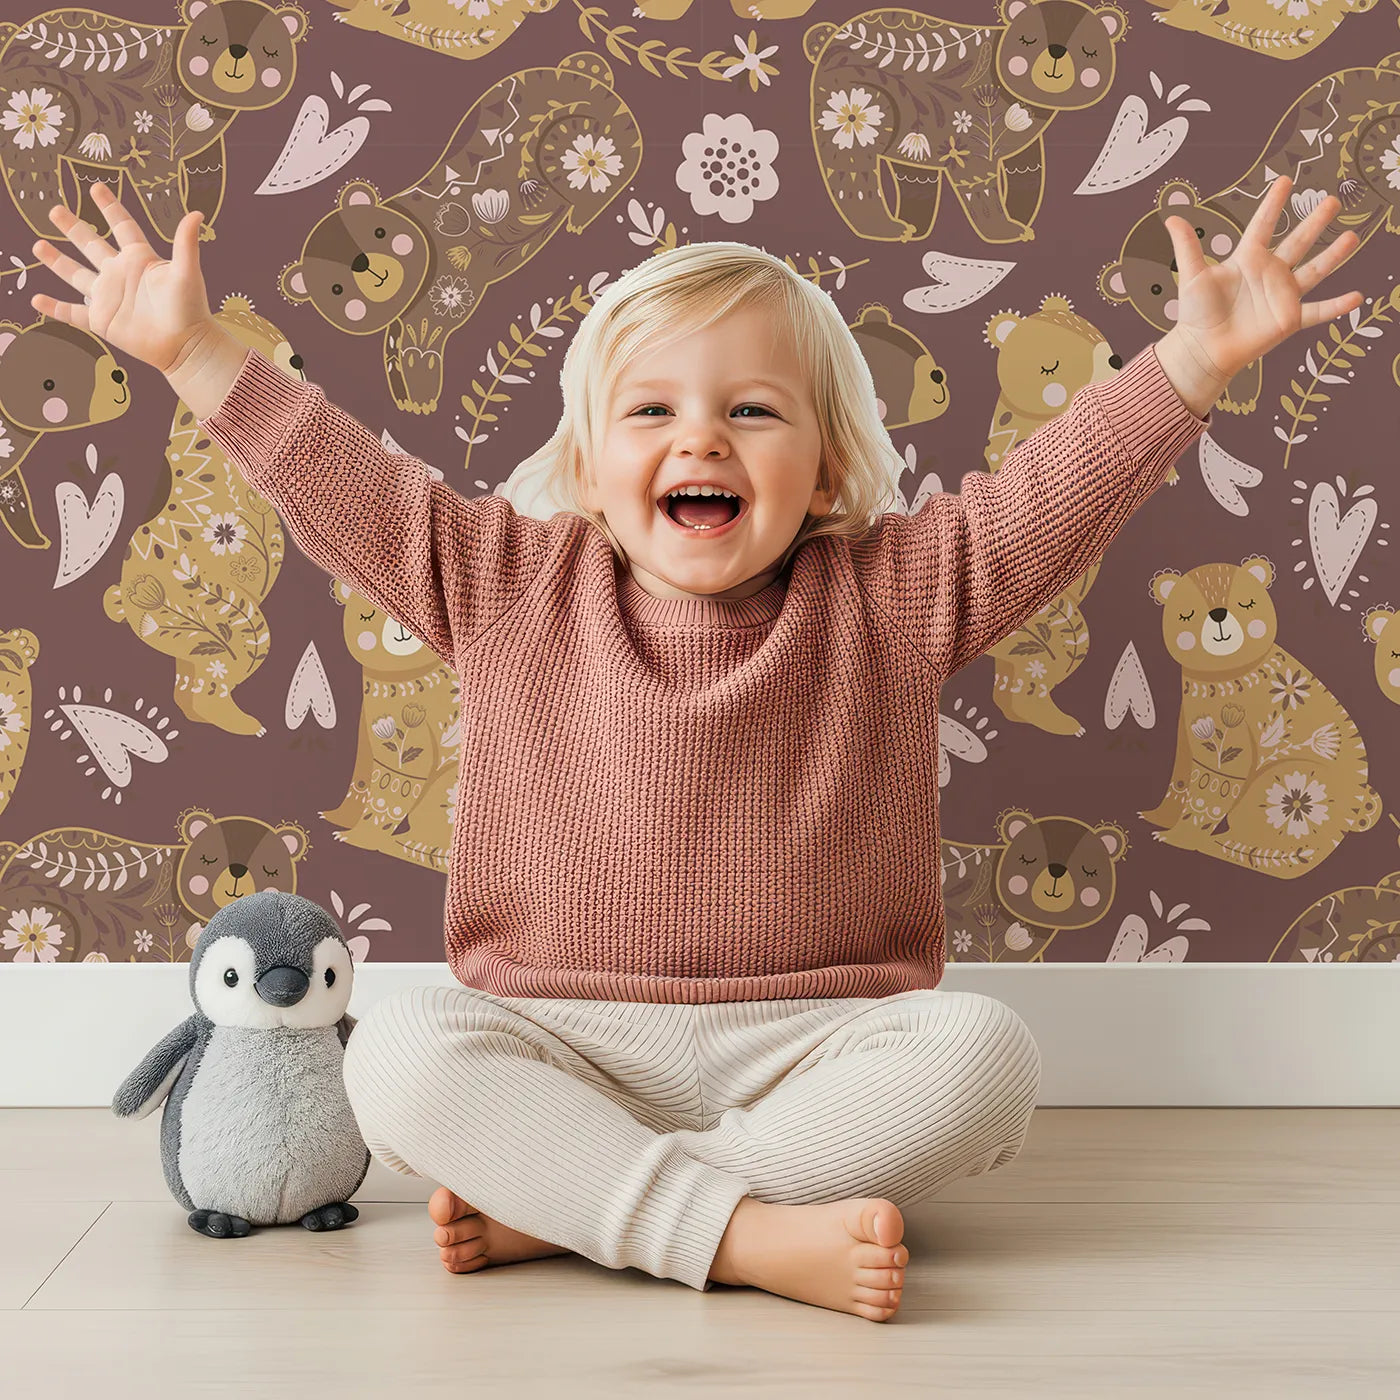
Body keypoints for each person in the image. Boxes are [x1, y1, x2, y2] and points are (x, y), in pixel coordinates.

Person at [30, 175, 1360, 1322]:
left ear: (832, 470)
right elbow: (340, 480)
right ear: (591, 465)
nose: (701, 438)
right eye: (652, 412)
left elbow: (1046, 500)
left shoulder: (893, 595)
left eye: (753, 413)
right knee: (394, 1057)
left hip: (817, 1048)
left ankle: (580, 1210)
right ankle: (738, 1235)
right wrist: (193, 348)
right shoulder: (502, 582)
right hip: (554, 1038)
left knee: (987, 1056)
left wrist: (1197, 360)